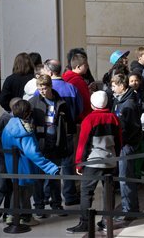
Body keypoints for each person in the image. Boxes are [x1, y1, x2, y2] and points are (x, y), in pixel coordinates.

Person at [66, 91, 122, 233]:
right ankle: (107, 221)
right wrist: (117, 156)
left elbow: (82, 144)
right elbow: (119, 141)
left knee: (86, 192)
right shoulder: (114, 118)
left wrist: (79, 162)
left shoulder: (89, 120)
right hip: (111, 160)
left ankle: (85, 222)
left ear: (92, 105)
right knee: (108, 192)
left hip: (93, 162)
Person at [2, 99, 60, 227]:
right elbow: (33, 154)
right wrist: (51, 168)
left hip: (12, 165)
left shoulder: (9, 125)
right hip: (25, 166)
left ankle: (11, 215)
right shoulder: (25, 131)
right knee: (25, 192)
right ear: (27, 113)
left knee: (16, 190)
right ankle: (26, 217)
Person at [41, 59, 83, 206]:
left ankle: (47, 196)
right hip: (68, 132)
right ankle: (70, 196)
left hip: (49, 134)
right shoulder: (71, 88)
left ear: (50, 72)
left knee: (49, 166)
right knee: (67, 166)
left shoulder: (41, 88)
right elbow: (79, 108)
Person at [29, 74, 72, 216]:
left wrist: (69, 141)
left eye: (44, 88)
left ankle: (56, 204)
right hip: (40, 145)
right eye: (40, 88)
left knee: (54, 176)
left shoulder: (61, 102)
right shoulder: (33, 102)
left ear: (50, 86)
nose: (42, 91)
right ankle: (39, 206)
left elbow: (70, 123)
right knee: (39, 178)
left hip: (56, 144)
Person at [111, 73, 142, 222]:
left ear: (121, 86)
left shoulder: (128, 104)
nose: (112, 88)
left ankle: (129, 210)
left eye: (114, 85)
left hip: (126, 146)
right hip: (122, 145)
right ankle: (131, 208)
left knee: (125, 179)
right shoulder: (119, 101)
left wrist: (123, 141)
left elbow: (133, 128)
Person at [0, 97, 21, 224]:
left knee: (12, 186)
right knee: (0, 185)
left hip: (15, 159)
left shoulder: (20, 119)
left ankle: (9, 214)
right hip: (3, 158)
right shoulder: (5, 118)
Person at [63, 53, 92, 121]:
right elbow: (85, 101)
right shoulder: (78, 81)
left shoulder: (64, 77)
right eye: (86, 65)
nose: (87, 67)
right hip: (79, 118)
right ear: (78, 67)